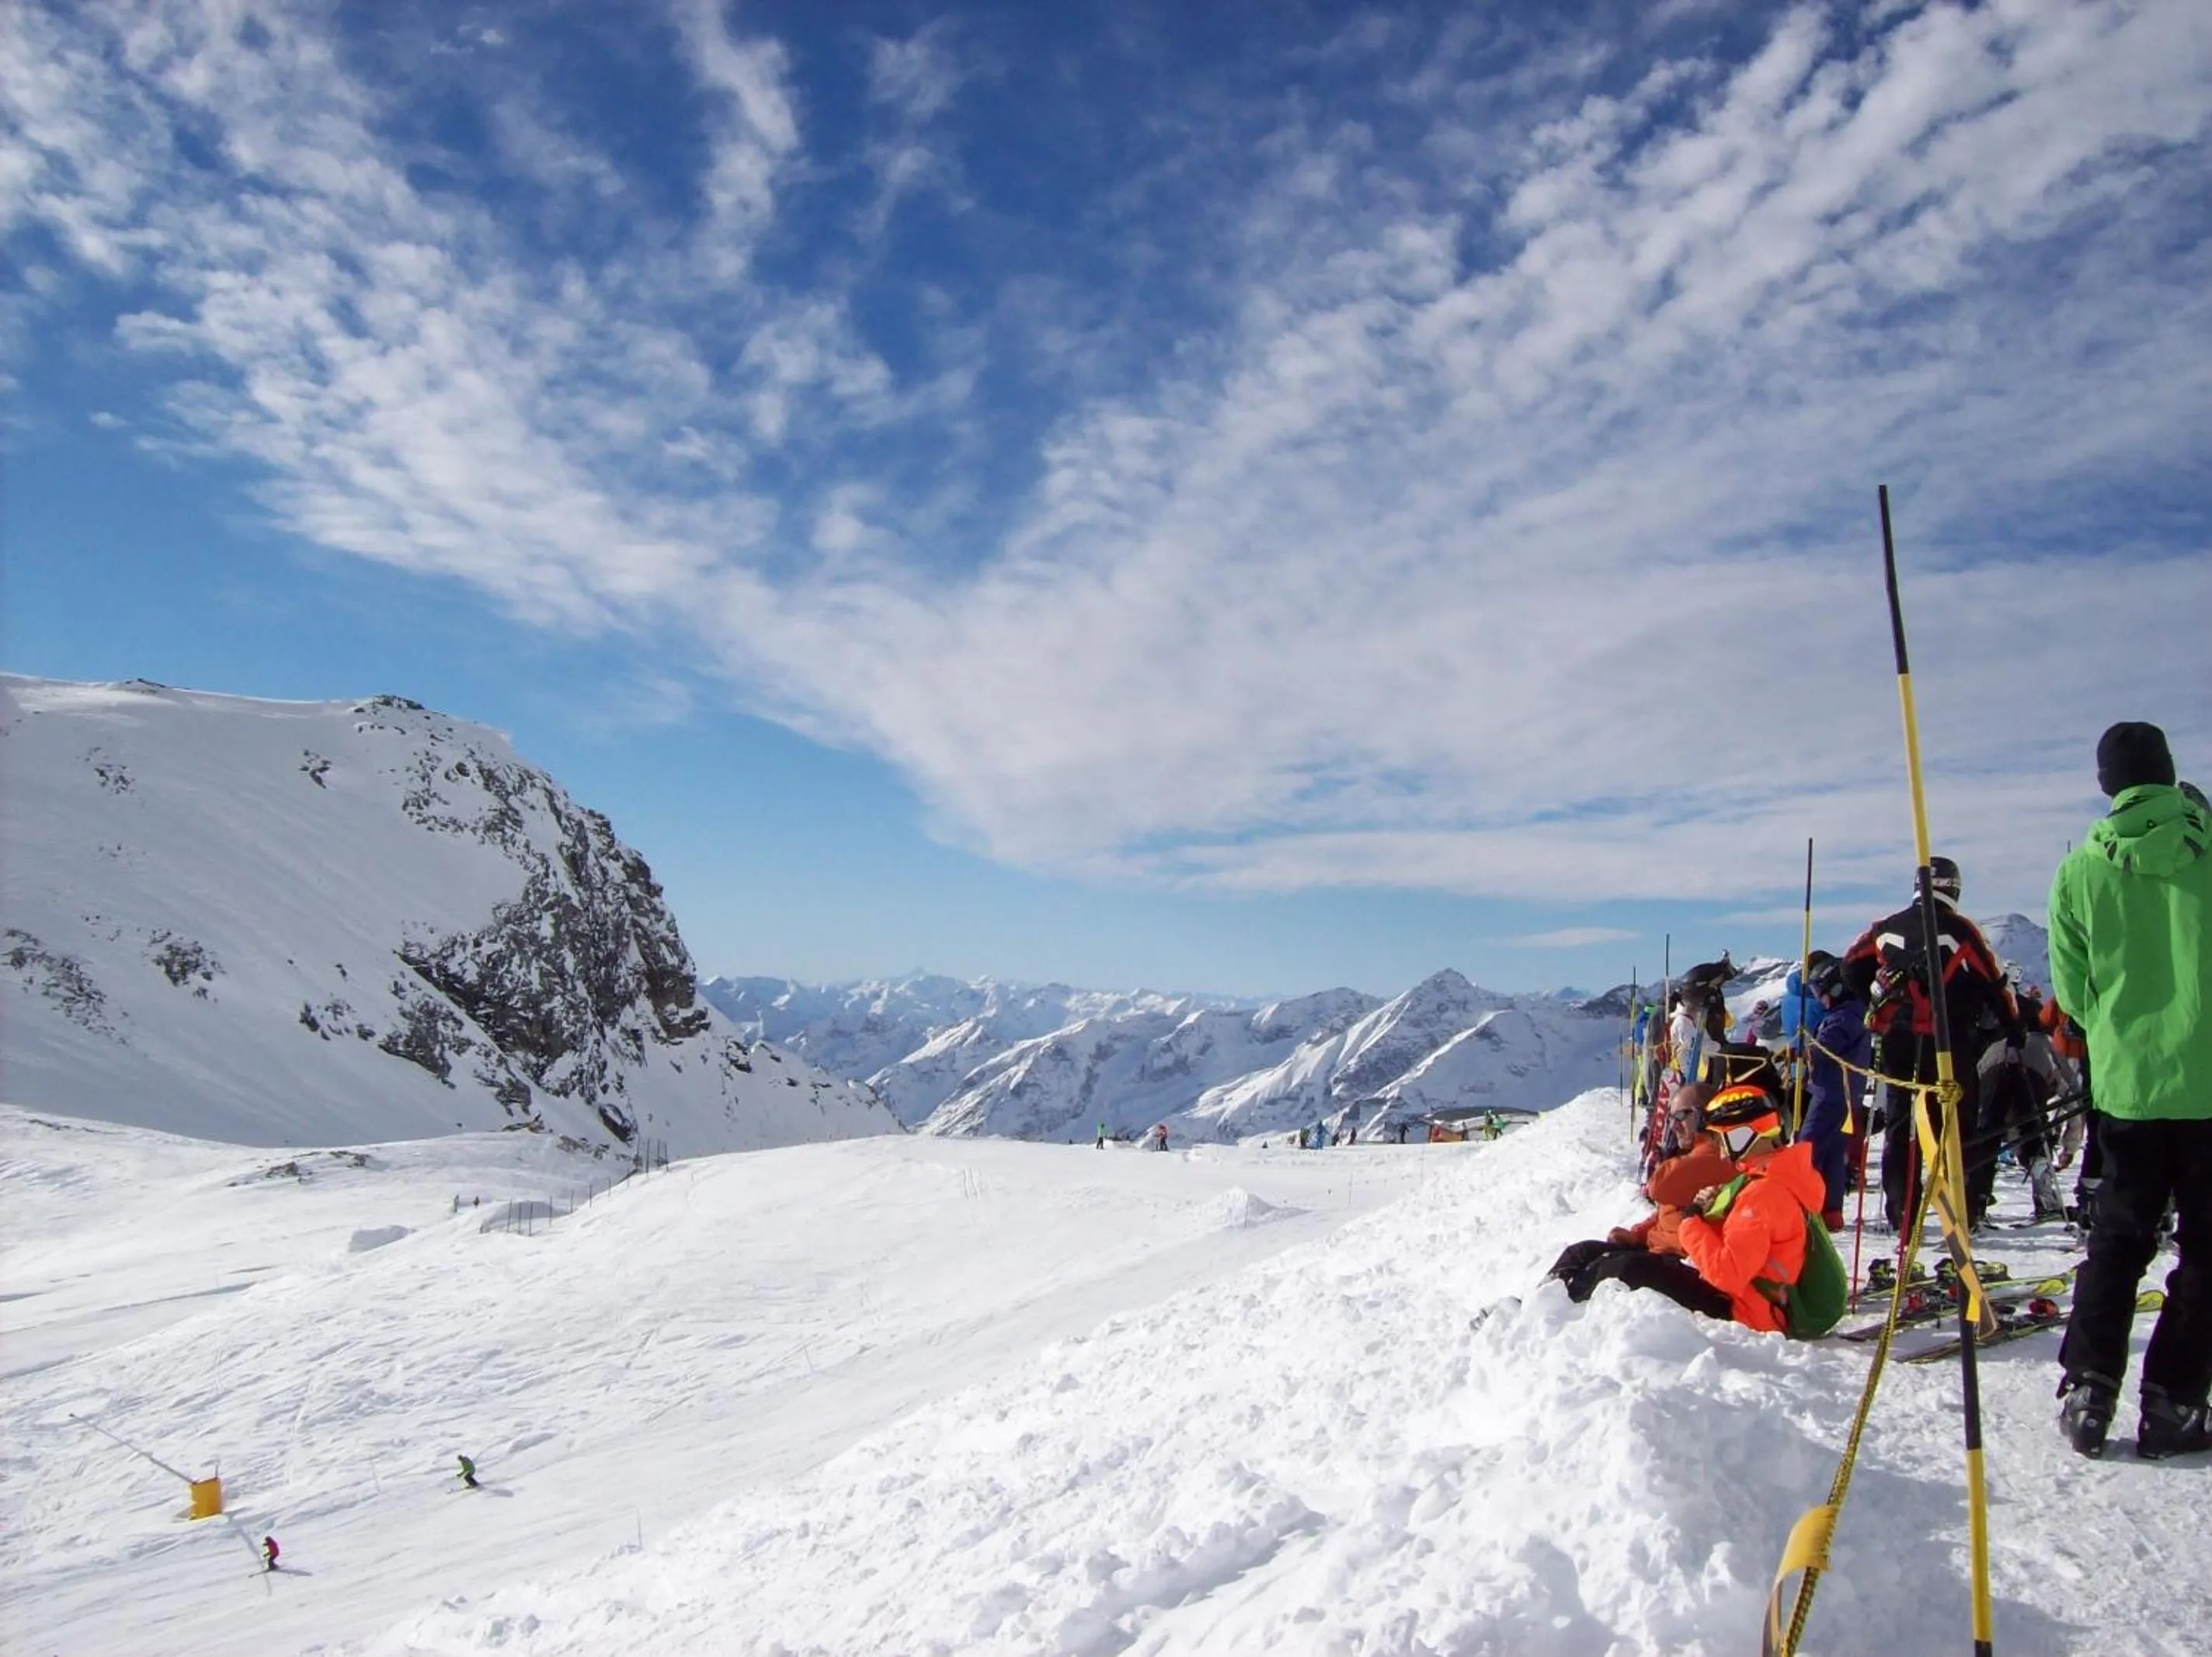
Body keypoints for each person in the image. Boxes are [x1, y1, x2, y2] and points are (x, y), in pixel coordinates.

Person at [2050, 722, 2212, 1461]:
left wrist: (2117, 1036)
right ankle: (2173, 1402)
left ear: (2107, 785)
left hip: (2126, 1088)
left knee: (2118, 1240)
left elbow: (2071, 992)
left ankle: (2089, 1386)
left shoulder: (2080, 869)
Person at [1842, 855, 2016, 1232]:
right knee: (1954, 1126)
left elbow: (1850, 964)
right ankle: (1960, 1213)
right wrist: (2011, 1028)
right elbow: (1995, 982)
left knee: (1902, 1126)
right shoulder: (1960, 930)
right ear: (1954, 888)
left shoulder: (1884, 927)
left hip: (1898, 1040)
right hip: (1951, 1041)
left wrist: (1872, 998)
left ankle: (1901, 1214)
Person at [1801, 956, 1870, 1229]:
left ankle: (1805, 1207)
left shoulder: (1843, 1018)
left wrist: (1804, 1051)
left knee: (1807, 1151)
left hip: (1829, 1095)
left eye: (1821, 992)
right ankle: (1832, 1211)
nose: (1819, 999)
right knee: (1833, 1155)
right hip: (1843, 1095)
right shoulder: (1851, 1014)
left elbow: (1824, 1051)